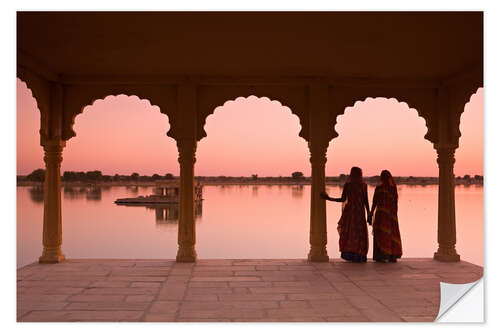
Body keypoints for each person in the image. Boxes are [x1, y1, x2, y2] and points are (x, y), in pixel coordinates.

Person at [320, 166, 370, 262]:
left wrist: (329, 198)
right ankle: (359, 255)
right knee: (359, 233)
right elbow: (366, 201)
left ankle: (351, 255)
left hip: (350, 212)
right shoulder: (363, 185)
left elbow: (342, 199)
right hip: (359, 212)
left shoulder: (349, 185)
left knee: (350, 233)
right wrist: (369, 214)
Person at [367, 170, 402, 262]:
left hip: (382, 214)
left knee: (381, 233)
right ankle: (391, 255)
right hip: (391, 215)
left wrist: (371, 213)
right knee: (391, 233)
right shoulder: (393, 188)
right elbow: (395, 203)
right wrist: (395, 214)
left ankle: (381, 255)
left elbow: (374, 202)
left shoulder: (379, 188)